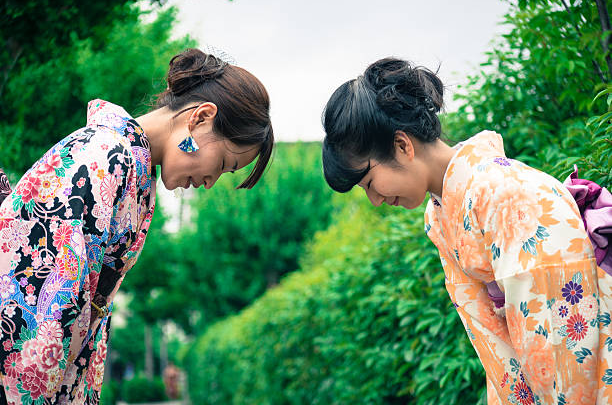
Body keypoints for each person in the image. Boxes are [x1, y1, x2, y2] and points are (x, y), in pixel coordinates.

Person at [321, 57, 612, 404]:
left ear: (402, 145)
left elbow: (563, 342)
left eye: (369, 182)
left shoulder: (510, 194)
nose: (374, 199)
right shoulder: (440, 215)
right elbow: (490, 336)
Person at [0, 48, 274, 404]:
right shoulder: (107, 154)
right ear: (201, 118)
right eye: (222, 162)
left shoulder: (128, 164)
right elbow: (43, 305)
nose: (210, 182)